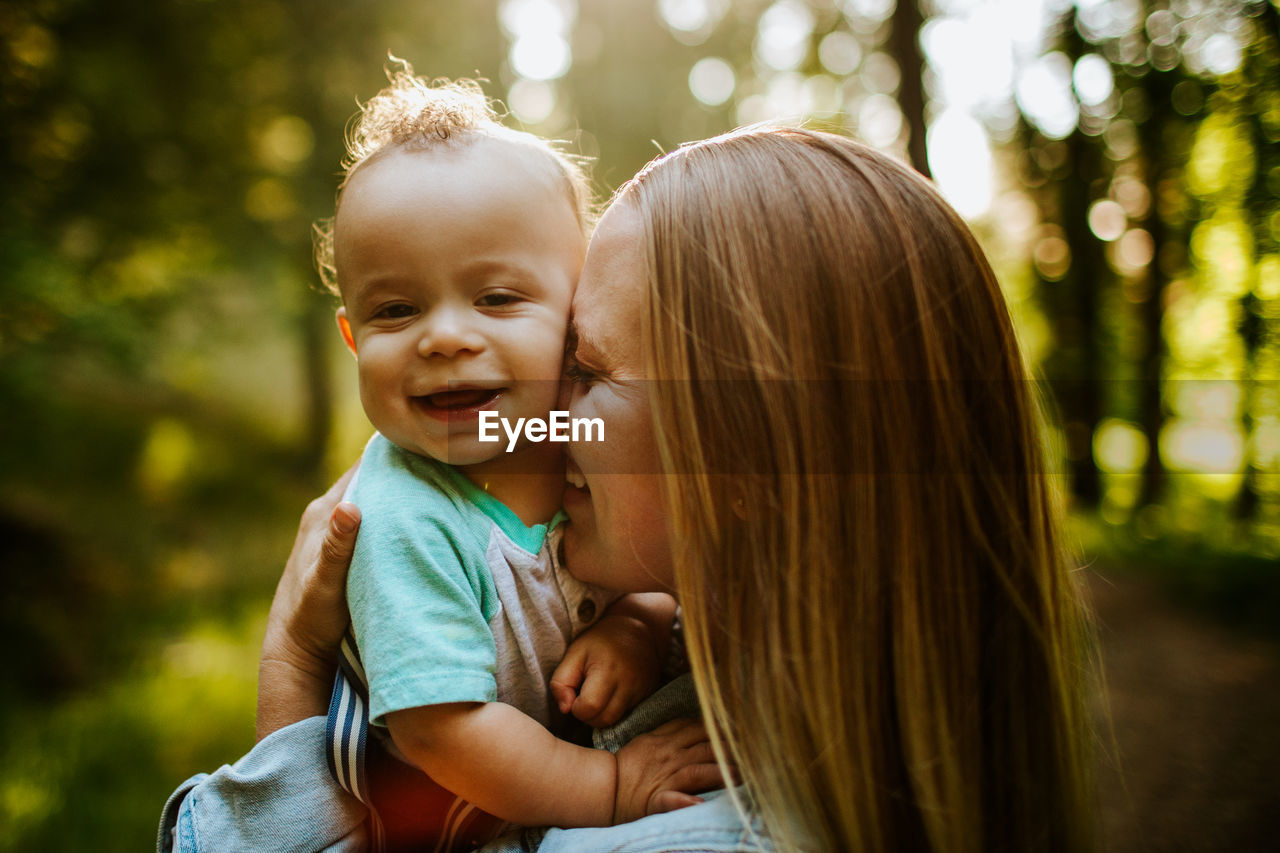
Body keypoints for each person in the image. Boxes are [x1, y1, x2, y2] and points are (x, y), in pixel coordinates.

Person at [161, 125, 1094, 852]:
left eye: (587, 365)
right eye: (400, 308)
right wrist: (643, 623)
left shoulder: (682, 824)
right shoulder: (765, 714)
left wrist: (293, 661)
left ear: (746, 457)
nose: (541, 407)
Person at [308, 67, 695, 849]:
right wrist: (612, 786)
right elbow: (439, 730)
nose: (445, 336)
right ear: (353, 337)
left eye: (497, 298)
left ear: (573, 318)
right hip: (439, 820)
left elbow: (661, 561)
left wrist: (636, 624)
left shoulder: (573, 438)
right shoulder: (403, 515)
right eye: (395, 309)